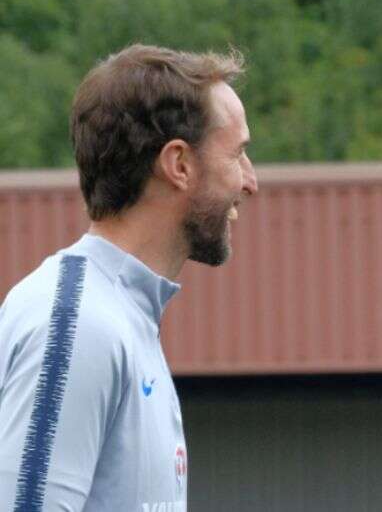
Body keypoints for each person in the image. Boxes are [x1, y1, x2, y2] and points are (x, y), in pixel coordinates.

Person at [0, 44, 258, 511]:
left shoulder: (119, 316)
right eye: (237, 154)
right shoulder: (80, 325)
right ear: (179, 164)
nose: (250, 180)